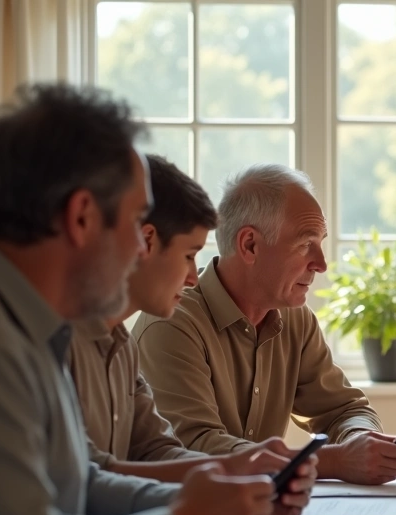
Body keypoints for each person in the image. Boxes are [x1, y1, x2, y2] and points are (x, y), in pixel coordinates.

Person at [0, 83, 312, 515]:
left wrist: (227, 504)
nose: (139, 250)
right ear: (80, 218)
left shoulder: (22, 321)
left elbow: (82, 483)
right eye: (132, 223)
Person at [134, 164, 396, 485]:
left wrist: (361, 439)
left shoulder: (296, 318)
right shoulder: (171, 321)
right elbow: (193, 447)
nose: (321, 264)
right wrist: (332, 461)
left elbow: (343, 409)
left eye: (321, 243)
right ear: (250, 245)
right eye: (305, 243)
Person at [69, 154, 298, 483]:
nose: (193, 277)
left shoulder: (120, 343)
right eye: (189, 255)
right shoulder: (57, 344)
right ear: (145, 241)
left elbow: (156, 449)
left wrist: (244, 472)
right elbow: (85, 483)